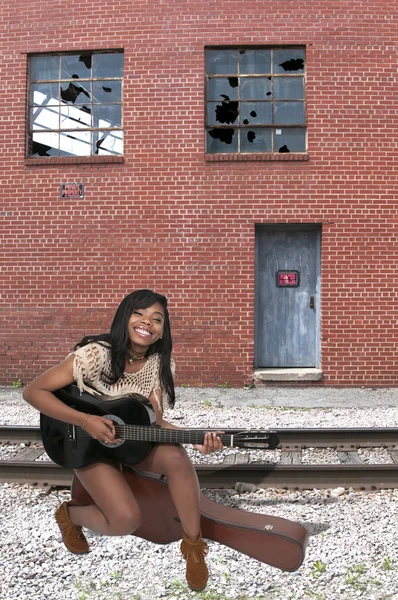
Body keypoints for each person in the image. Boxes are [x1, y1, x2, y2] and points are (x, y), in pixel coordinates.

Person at [23, 289, 223, 592]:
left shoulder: (158, 365)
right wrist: (86, 421)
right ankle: (69, 514)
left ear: (161, 331)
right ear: (125, 317)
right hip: (83, 443)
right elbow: (33, 392)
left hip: (126, 440)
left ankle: (193, 547)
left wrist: (195, 439)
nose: (147, 323)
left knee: (176, 456)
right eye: (139, 313)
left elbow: (154, 423)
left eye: (157, 319)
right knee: (125, 520)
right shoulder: (95, 354)